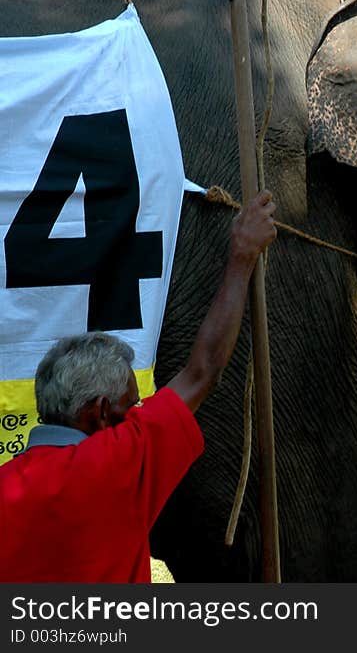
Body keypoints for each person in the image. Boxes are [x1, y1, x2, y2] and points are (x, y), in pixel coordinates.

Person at [0, 190, 277, 583]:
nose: (140, 414)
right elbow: (203, 370)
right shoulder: (115, 465)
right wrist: (242, 255)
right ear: (98, 413)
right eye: (132, 406)